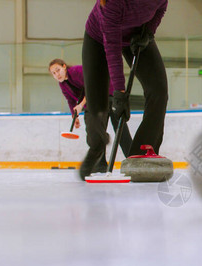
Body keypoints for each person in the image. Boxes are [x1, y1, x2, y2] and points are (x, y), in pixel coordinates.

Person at [80, 0, 169, 180]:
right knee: (97, 105)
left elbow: (161, 8)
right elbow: (112, 47)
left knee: (158, 91)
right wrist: (120, 93)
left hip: (137, 34)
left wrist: (148, 32)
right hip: (99, 38)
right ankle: (97, 145)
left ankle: (142, 152)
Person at [48, 59, 133, 172]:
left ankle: (132, 160)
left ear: (64, 66)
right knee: (97, 131)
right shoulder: (63, 84)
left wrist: (81, 105)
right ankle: (100, 164)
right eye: (53, 73)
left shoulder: (76, 71)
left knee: (120, 130)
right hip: (95, 102)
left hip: (108, 95)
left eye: (58, 70)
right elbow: (70, 100)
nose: (57, 74)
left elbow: (92, 88)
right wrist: (75, 116)